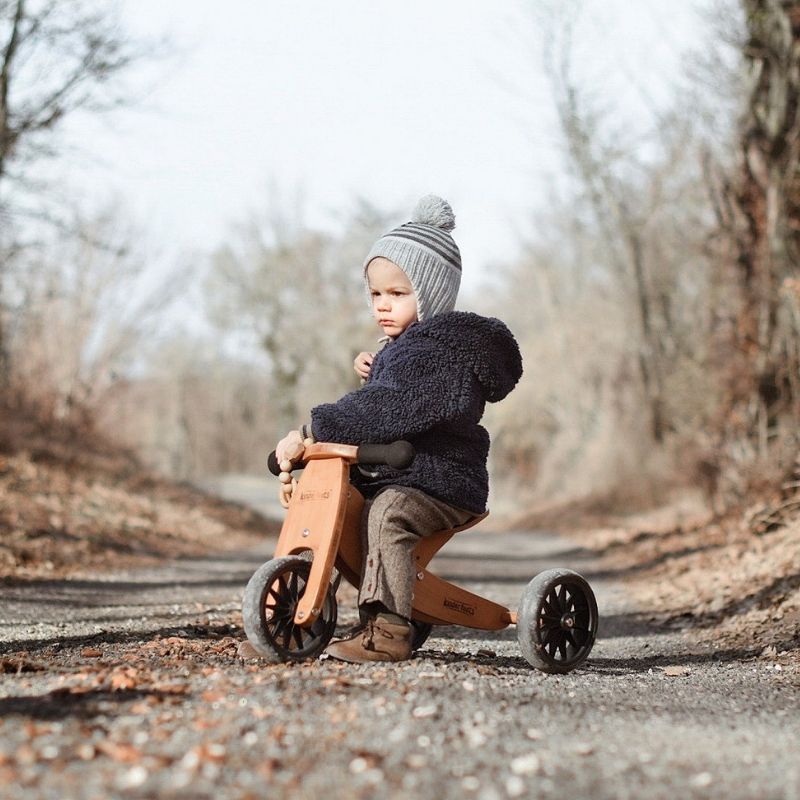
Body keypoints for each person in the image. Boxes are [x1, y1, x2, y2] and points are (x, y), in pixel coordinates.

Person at [274, 195, 522, 663]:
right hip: (405, 470)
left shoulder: (440, 353)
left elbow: (392, 406)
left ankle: (387, 630)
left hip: (442, 477)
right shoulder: (409, 348)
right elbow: (391, 394)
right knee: (345, 506)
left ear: (428, 295)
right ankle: (304, 617)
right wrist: (376, 367)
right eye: (375, 294)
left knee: (389, 513)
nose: (382, 306)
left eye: (397, 294)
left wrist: (313, 429)